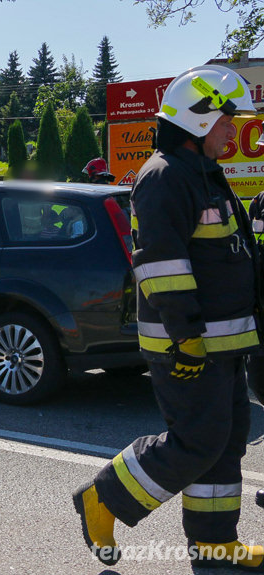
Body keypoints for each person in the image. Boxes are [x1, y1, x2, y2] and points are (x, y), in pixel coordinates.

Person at [72, 65, 264, 570]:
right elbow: (160, 267)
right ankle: (105, 496)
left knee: (223, 444)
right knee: (197, 441)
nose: (233, 129)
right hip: (188, 344)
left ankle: (215, 541)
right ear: (200, 119)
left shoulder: (204, 174)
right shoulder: (164, 177)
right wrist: (186, 339)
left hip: (223, 344)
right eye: (226, 119)